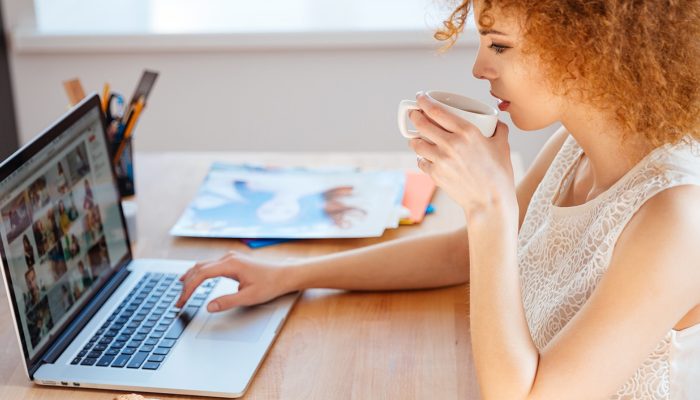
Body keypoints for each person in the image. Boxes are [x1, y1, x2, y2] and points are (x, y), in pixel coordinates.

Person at [177, 1, 700, 398]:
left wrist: (489, 210)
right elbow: (458, 257)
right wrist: (289, 275)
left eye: (498, 45)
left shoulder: (675, 215)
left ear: (587, 51)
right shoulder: (572, 149)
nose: (478, 67)